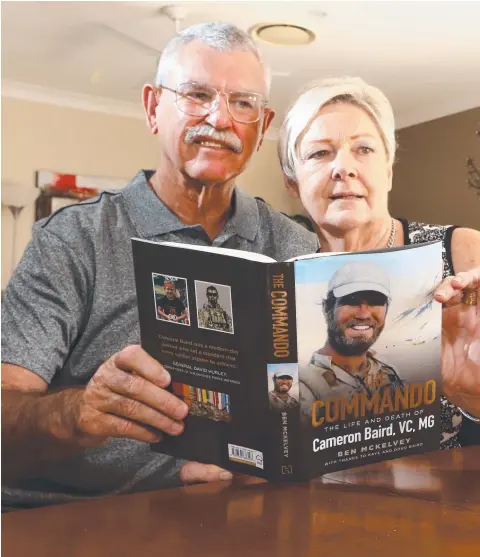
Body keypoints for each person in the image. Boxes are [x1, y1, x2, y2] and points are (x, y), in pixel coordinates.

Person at [1, 22, 318, 511]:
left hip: (239, 516)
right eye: (196, 94)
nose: (220, 118)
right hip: (69, 518)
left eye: (243, 103)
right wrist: (78, 412)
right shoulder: (73, 239)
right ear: (152, 108)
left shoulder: (296, 246)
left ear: (261, 127)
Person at [278, 76, 480, 448]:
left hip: (443, 497)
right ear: (293, 183)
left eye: (364, 149)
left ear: (388, 169)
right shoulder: (279, 276)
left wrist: (472, 395)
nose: (344, 167)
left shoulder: (463, 252)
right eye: (319, 153)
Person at [300, 260, 403, 420]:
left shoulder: (387, 375)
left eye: (375, 302)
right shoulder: (303, 389)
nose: (364, 314)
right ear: (327, 308)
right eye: (351, 301)